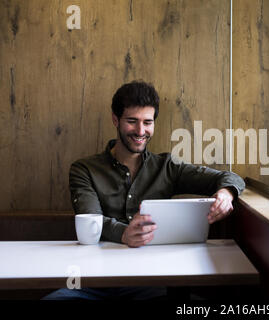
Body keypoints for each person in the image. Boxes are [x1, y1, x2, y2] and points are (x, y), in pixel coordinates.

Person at [42, 81, 245, 300]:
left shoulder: (167, 166)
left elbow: (231, 178)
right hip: (93, 279)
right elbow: (92, 220)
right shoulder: (84, 169)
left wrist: (226, 193)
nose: (141, 131)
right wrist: (124, 233)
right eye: (132, 121)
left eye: (147, 122)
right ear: (115, 120)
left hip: (150, 282)